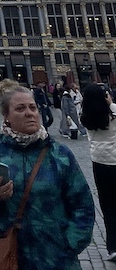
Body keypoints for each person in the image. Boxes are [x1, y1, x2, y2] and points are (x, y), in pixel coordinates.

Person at [0, 78, 94, 270]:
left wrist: (70, 244)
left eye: (32, 107)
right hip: (14, 256)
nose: (29, 113)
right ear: (6, 116)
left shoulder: (59, 154)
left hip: (56, 259)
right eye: (20, 109)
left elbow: (83, 204)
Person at [80, 83, 116, 262]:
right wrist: (110, 103)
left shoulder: (86, 117)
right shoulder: (114, 111)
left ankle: (113, 247)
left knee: (108, 206)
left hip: (100, 163)